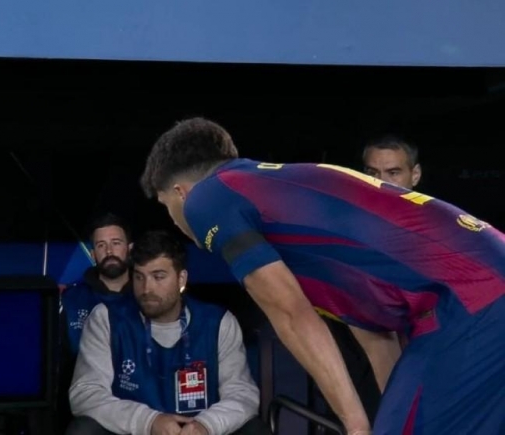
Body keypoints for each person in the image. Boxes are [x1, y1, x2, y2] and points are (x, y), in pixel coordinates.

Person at [139, 117, 505, 435]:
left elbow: (290, 314)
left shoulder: (207, 197)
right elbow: (377, 337)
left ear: (180, 193)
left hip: (473, 295)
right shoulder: (284, 201)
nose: (175, 221)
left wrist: (356, 426)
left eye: (166, 206)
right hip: (479, 288)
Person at [67, 230, 267, 435]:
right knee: (84, 430)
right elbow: (86, 394)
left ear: (181, 279)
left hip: (197, 432)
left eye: (158, 277)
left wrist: (207, 425)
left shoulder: (217, 322)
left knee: (254, 430)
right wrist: (149, 421)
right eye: (139, 277)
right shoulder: (106, 318)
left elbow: (242, 394)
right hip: (134, 432)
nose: (147, 289)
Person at [313, 135, 425, 423]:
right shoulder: (341, 230)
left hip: (426, 350)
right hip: (359, 359)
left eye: (393, 173)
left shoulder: (434, 227)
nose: (380, 183)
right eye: (372, 172)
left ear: (415, 175)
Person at [58, 213, 136, 432]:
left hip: (143, 403)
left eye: (116, 243)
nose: (109, 251)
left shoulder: (148, 296)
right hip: (90, 411)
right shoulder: (71, 300)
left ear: (129, 248)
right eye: (101, 245)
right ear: (93, 254)